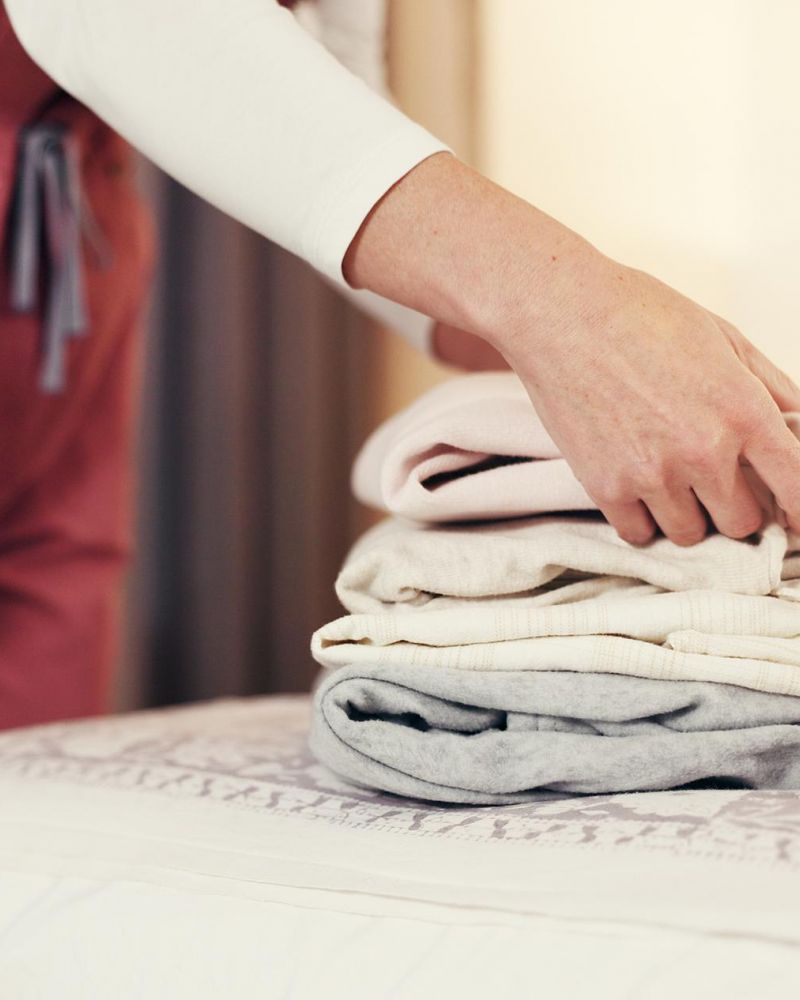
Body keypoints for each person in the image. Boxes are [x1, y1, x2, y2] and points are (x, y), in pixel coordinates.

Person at [2, 0, 800, 730]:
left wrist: (687, 374)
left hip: (67, 238)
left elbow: (328, 121)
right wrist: (577, 315)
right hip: (56, 218)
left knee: (51, 611)